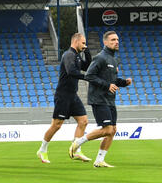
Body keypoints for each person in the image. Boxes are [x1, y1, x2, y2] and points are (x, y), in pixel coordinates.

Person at [70, 31, 132, 167]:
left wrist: (123, 82)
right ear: (105, 42)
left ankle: (99, 160)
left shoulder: (114, 59)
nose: (116, 42)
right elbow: (90, 76)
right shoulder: (100, 58)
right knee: (107, 129)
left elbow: (112, 80)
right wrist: (107, 85)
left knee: (113, 130)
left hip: (110, 99)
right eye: (113, 40)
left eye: (117, 40)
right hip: (98, 98)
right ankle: (78, 142)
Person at [37, 33, 92, 163]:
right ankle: (42, 150)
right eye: (83, 43)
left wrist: (87, 52)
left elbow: (87, 66)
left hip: (73, 95)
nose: (84, 45)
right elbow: (71, 71)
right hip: (63, 95)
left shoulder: (77, 56)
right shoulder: (68, 55)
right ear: (76, 41)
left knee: (83, 121)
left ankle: (76, 150)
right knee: (57, 125)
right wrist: (87, 77)